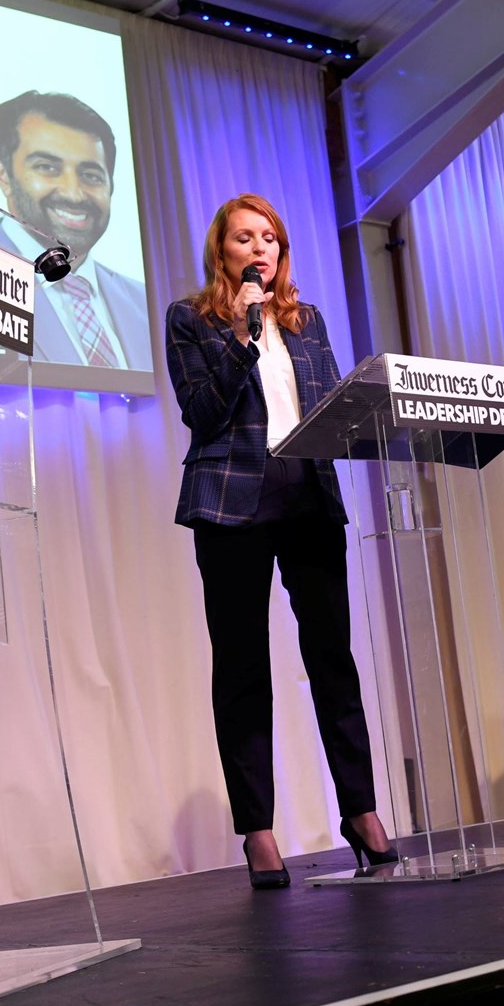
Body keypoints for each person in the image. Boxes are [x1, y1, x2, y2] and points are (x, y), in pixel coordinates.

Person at [164, 193, 396, 888]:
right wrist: (240, 337)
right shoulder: (191, 319)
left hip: (309, 499)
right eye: (245, 238)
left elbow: (329, 408)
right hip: (231, 506)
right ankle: (259, 832)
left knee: (333, 659)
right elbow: (201, 415)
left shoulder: (308, 320)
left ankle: (360, 811)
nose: (259, 248)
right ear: (223, 252)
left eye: (269, 237)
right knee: (242, 670)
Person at [0, 90, 150, 371]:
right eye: (47, 167)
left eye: (91, 175)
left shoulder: (145, 304)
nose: (74, 194)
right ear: (3, 175)